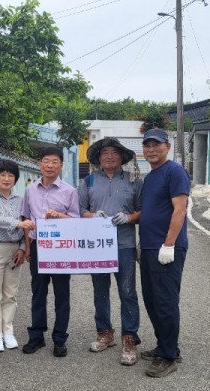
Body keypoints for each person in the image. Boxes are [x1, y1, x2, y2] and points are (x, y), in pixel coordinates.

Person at [78, 137, 143, 366]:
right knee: (100, 291)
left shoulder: (134, 181)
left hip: (124, 245)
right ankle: (105, 333)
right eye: (105, 152)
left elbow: (142, 211)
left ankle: (129, 339)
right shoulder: (89, 182)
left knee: (127, 293)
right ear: (98, 157)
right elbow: (81, 211)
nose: (109, 156)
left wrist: (128, 217)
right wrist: (93, 216)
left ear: (121, 157)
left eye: (114, 152)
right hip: (98, 247)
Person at [138, 128, 190, 378]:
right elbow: (149, 211)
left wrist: (169, 244)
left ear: (167, 146)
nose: (151, 149)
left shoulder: (174, 172)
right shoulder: (150, 177)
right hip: (148, 248)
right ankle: (163, 345)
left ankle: (169, 355)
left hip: (166, 248)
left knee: (166, 302)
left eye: (156, 145)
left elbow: (179, 210)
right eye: (147, 145)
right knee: (151, 300)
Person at [21, 146, 80, 357]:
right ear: (39, 164)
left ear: (61, 165)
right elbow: (26, 220)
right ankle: (36, 336)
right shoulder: (30, 190)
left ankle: (59, 338)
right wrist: (28, 247)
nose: (50, 165)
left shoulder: (69, 191)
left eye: (54, 161)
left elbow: (76, 221)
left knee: (62, 294)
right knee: (38, 293)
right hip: (38, 247)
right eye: (46, 161)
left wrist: (59, 216)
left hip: (61, 249)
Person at [0, 159, 35, 353]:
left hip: (14, 251)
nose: (6, 178)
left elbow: (26, 226)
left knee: (10, 294)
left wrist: (22, 247)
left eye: (10, 175)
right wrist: (19, 224)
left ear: (16, 179)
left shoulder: (21, 200)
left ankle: (8, 332)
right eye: (2, 175)